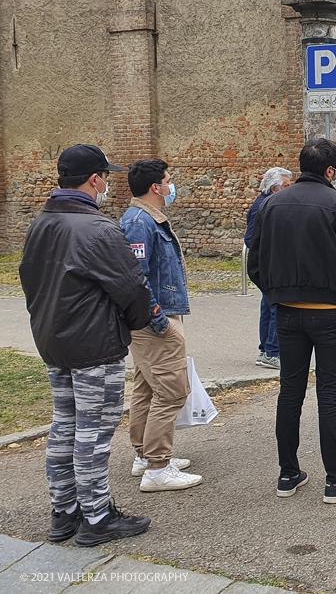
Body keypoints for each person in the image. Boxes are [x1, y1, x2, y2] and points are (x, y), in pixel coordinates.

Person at [21, 144, 153, 546]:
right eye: (106, 177)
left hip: (54, 339)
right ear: (94, 179)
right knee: (92, 431)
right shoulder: (98, 228)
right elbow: (132, 289)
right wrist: (137, 323)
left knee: (66, 425)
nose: (108, 185)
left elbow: (29, 277)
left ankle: (64, 511)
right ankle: (97, 517)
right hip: (94, 343)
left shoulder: (40, 223)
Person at [248, 138, 336, 504]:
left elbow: (254, 261)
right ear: (330, 170)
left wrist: (276, 293)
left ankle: (288, 472)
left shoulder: (271, 204)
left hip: (288, 311)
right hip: (331, 313)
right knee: (329, 393)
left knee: (290, 391)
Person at [119, 159, 203, 493]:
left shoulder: (143, 218)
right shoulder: (140, 221)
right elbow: (135, 277)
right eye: (169, 181)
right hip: (155, 320)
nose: (171, 186)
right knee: (170, 390)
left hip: (153, 318)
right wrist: (159, 321)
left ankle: (145, 454)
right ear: (156, 187)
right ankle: (157, 466)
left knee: (147, 387)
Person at [246, 167, 293, 369]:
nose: (290, 190)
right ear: (275, 188)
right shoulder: (263, 207)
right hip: (269, 265)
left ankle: (265, 349)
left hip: (269, 263)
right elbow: (251, 238)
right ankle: (271, 352)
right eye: (287, 186)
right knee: (275, 307)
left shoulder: (267, 203)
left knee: (268, 307)